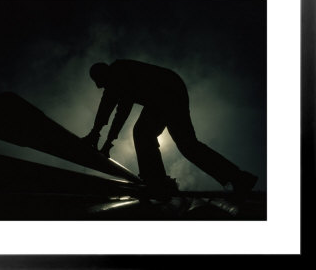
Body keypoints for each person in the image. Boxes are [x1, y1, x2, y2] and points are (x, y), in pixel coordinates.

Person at [82, 59, 258, 200]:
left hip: (166, 92)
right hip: (172, 89)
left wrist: (103, 139)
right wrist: (98, 135)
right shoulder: (117, 76)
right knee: (188, 145)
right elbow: (110, 108)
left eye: (99, 82)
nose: (99, 87)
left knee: (143, 132)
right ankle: (239, 178)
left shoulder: (118, 72)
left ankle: (156, 181)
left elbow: (119, 110)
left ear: (104, 74)